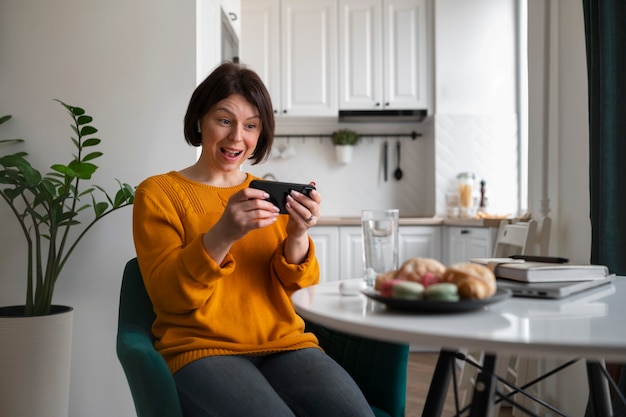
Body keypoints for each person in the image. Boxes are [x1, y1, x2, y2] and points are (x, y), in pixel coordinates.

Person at [132, 62, 375, 417]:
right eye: (225, 120)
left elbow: (299, 293)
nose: (236, 138)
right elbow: (168, 298)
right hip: (202, 349)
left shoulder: (264, 193)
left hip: (287, 345)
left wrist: (298, 234)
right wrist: (222, 235)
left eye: (250, 126)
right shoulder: (158, 193)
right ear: (200, 119)